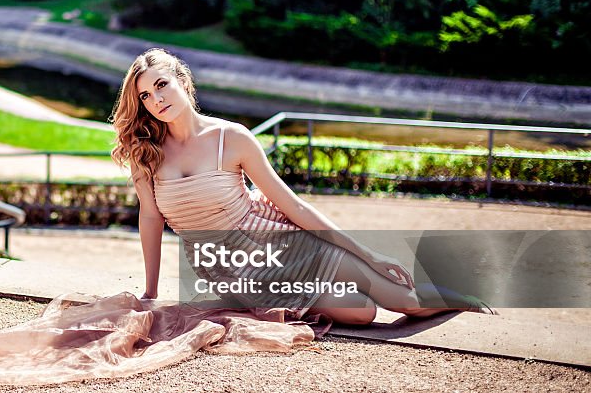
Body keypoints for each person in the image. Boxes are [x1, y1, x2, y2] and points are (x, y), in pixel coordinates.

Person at [110, 48, 492, 326]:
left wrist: (371, 254)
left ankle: (468, 300)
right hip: (229, 267)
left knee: (401, 300)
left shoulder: (233, 138)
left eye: (161, 85)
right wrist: (149, 291)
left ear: (182, 81)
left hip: (280, 240)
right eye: (145, 95)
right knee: (362, 312)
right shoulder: (146, 152)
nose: (156, 99)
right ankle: (283, 301)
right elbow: (151, 219)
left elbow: (293, 206)